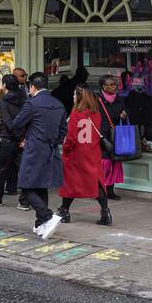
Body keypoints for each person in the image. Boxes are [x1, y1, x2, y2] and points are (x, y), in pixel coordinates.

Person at [10, 72, 68, 239]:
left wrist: (28, 136)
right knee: (41, 185)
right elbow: (63, 130)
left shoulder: (32, 103)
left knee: (26, 186)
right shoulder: (58, 104)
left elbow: (17, 123)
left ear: (32, 87)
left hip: (34, 150)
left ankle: (47, 216)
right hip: (51, 150)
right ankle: (40, 223)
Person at [58, 86, 112, 226]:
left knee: (70, 183)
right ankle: (105, 212)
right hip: (93, 152)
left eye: (74, 95)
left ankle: (64, 211)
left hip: (76, 154)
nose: (73, 97)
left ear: (80, 97)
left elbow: (71, 137)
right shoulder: (96, 114)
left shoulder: (76, 113)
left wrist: (65, 150)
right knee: (97, 182)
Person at [0, 74, 26, 208]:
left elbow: (8, 123)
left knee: (2, 169)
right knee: (23, 169)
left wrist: (16, 137)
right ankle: (25, 201)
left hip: (9, 139)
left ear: (5, 86)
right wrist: (22, 138)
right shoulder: (24, 98)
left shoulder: (4, 102)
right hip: (22, 139)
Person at [98, 74, 127, 200]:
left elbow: (124, 114)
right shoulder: (97, 100)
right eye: (110, 85)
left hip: (116, 135)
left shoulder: (119, 99)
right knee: (103, 163)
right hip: (101, 136)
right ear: (103, 86)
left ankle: (110, 191)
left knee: (114, 162)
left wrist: (124, 116)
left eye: (115, 84)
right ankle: (99, 191)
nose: (114, 87)